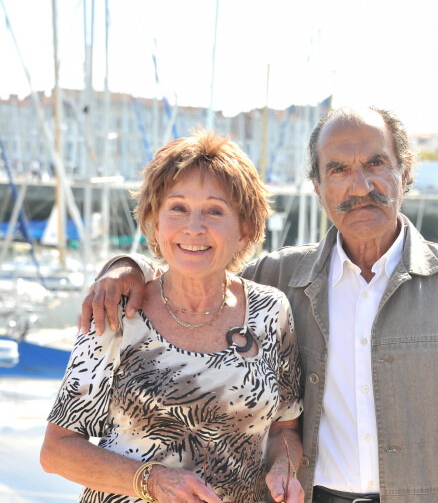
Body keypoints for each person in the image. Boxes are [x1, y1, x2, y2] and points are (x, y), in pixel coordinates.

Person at [82, 106, 438, 503]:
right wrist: (129, 267)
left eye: (376, 163)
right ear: (317, 187)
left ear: (405, 171)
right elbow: (194, 268)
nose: (360, 185)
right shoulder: (275, 282)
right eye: (337, 170)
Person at [41, 130, 304, 503]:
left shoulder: (270, 312)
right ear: (155, 221)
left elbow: (285, 429)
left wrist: (283, 469)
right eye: (177, 208)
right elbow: (57, 451)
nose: (193, 227)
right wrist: (153, 481)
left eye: (215, 211)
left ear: (245, 230)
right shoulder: (116, 311)